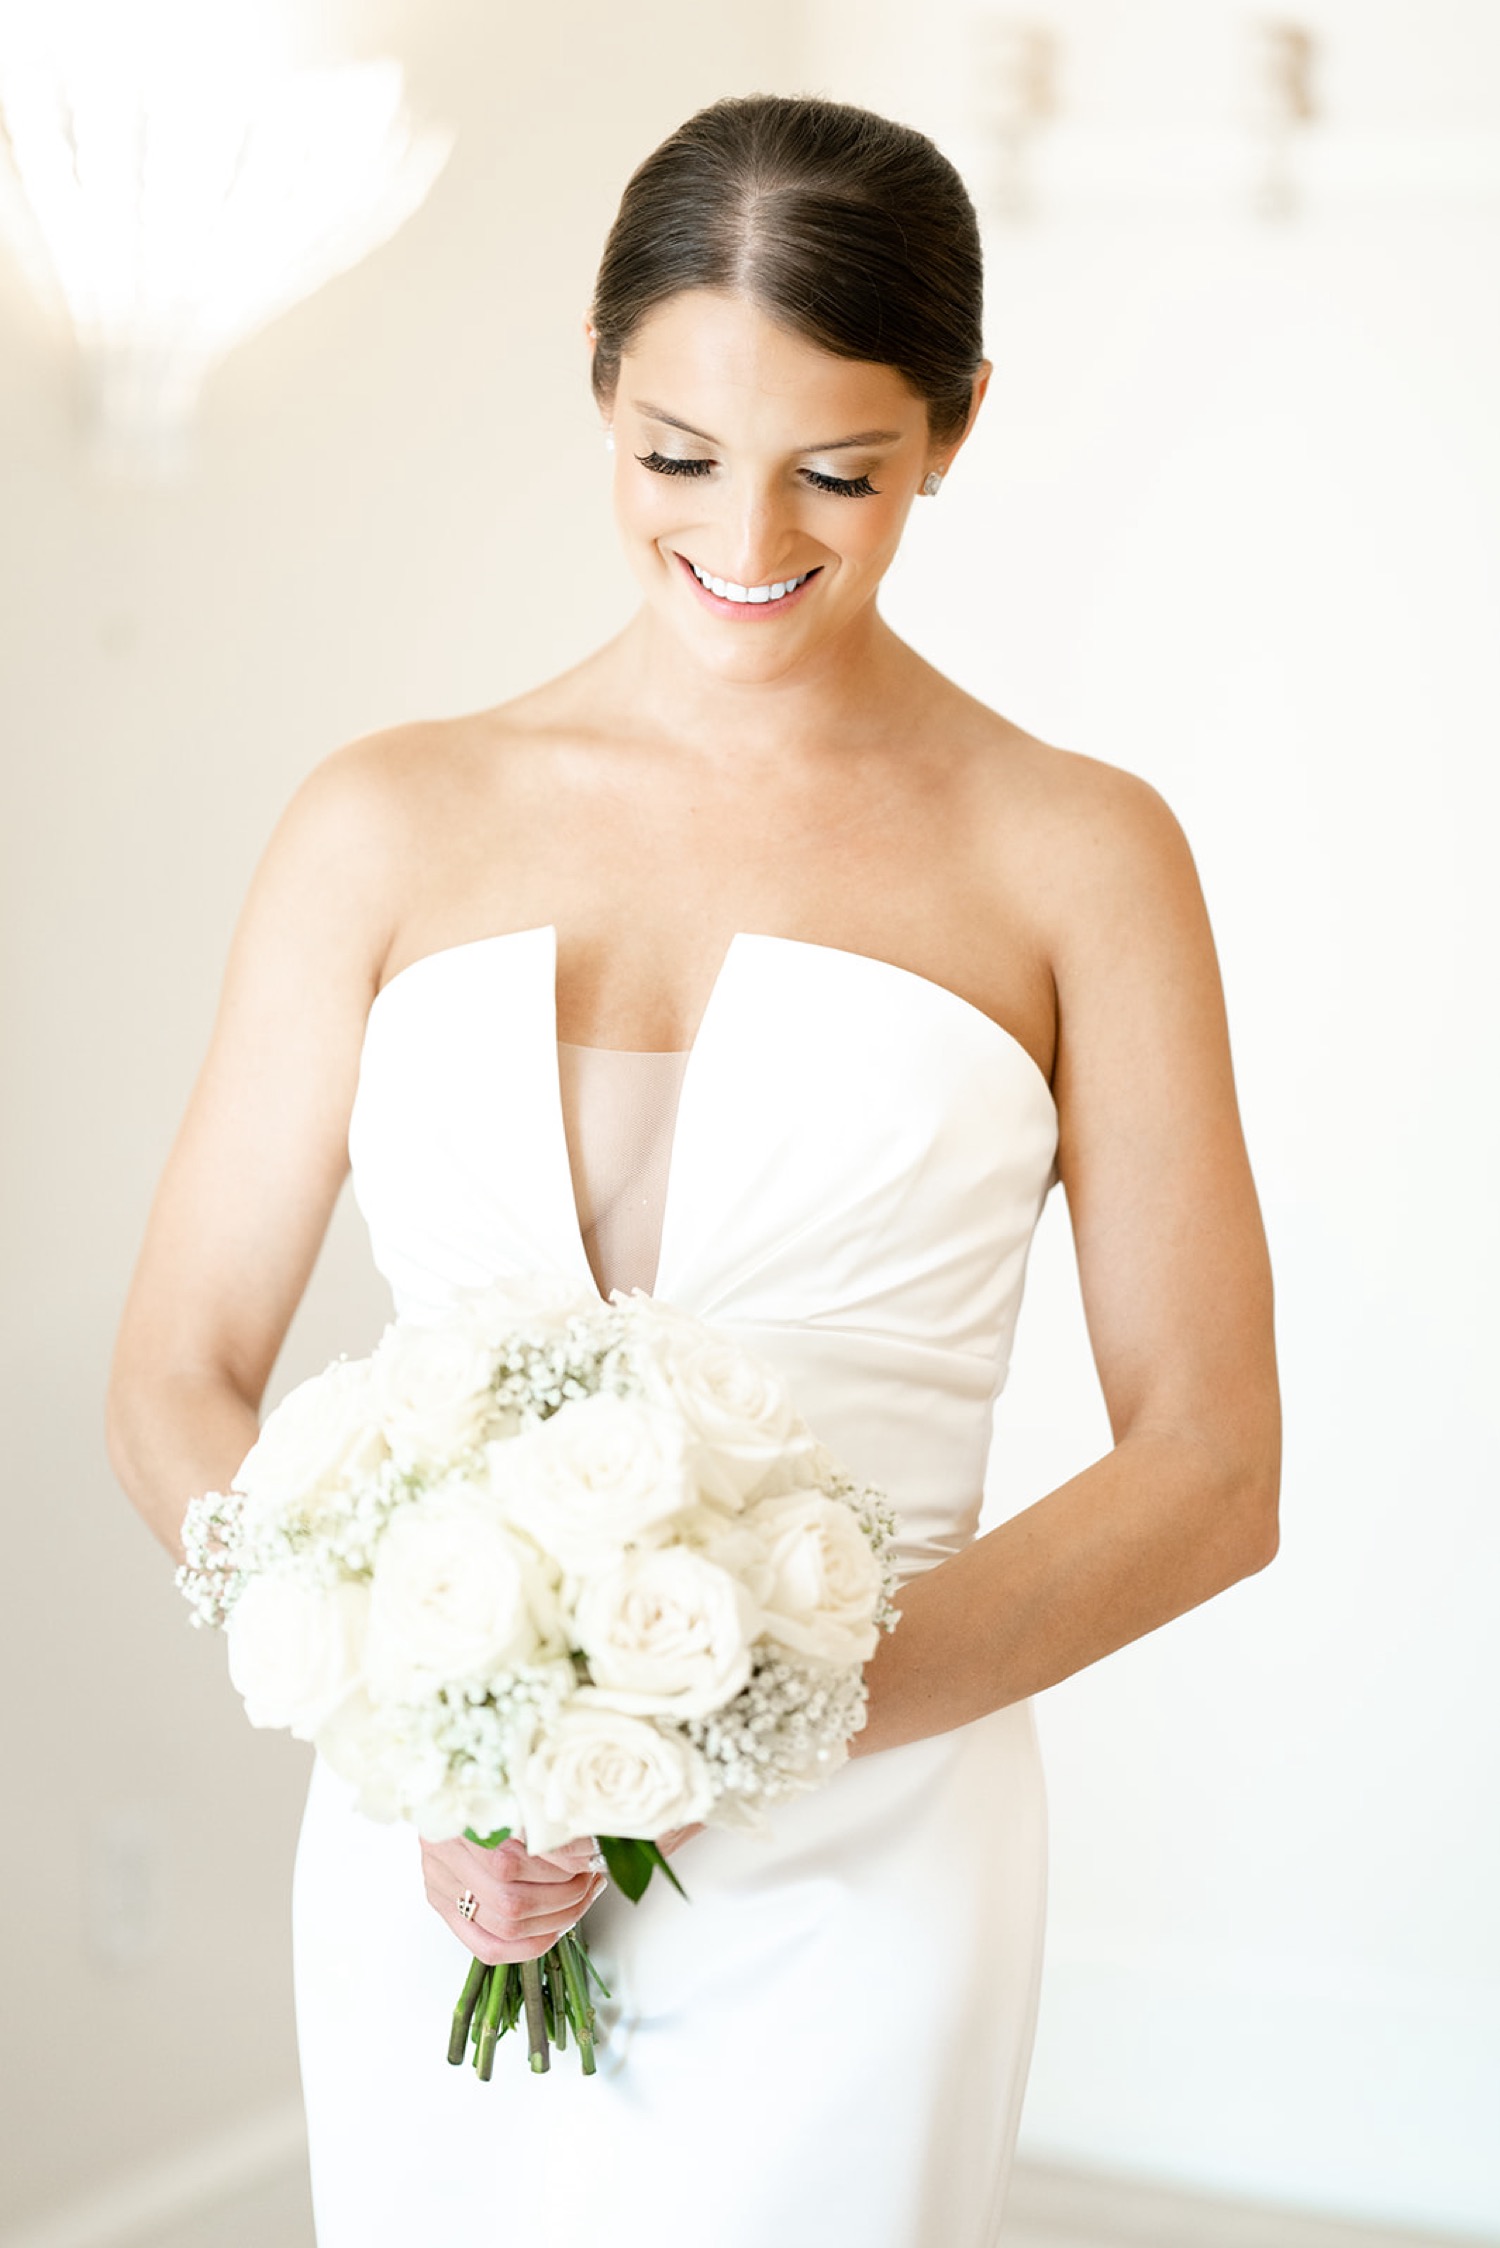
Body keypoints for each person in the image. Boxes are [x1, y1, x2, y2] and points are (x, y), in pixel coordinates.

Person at [106, 91, 1279, 2248]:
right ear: (598, 379)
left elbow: (1211, 1460)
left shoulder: (1080, 854)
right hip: (439, 1862)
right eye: (677, 454)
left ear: (957, 425)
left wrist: (750, 1707)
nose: (750, 534)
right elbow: (174, 1366)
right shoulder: (383, 818)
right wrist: (424, 1735)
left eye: (837, 469)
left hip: (872, 1860)